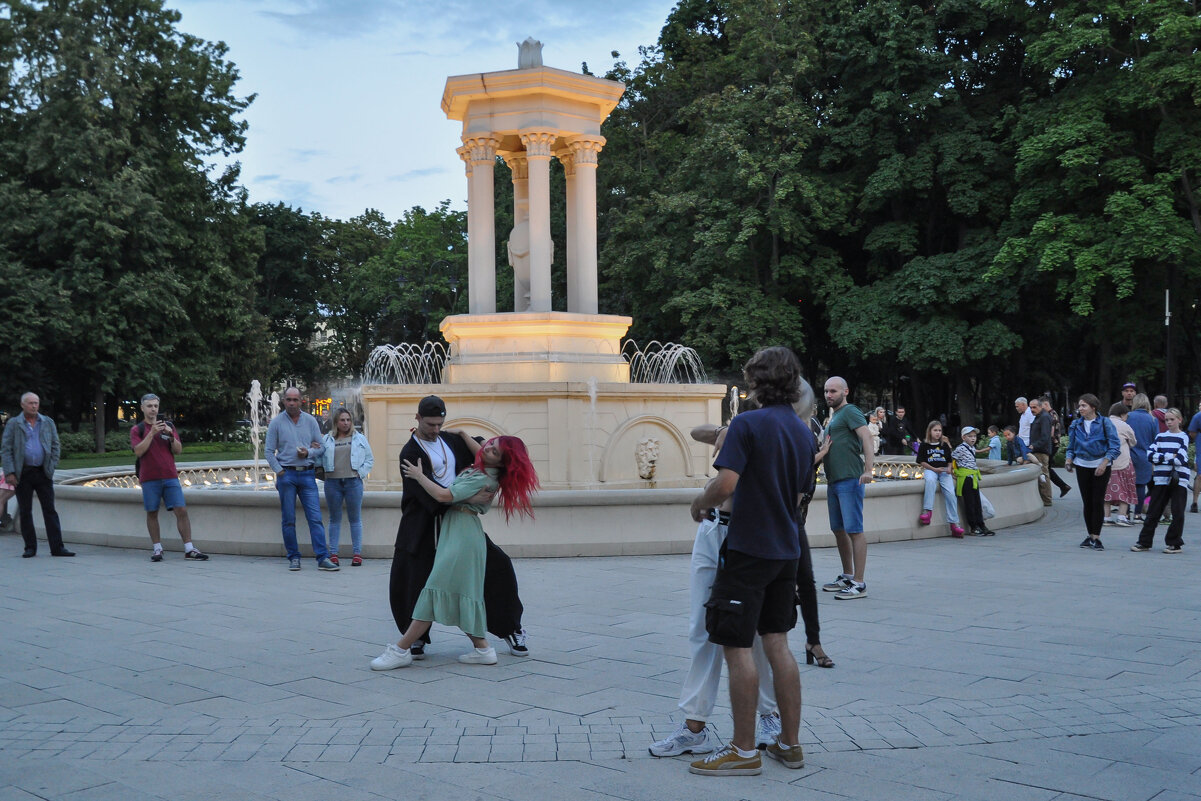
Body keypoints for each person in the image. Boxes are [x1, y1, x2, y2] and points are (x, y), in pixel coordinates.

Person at [685, 346, 811, 776]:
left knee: (736, 647)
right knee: (777, 644)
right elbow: (797, 495)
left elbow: (725, 483)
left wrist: (699, 503)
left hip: (749, 549)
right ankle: (790, 744)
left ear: (755, 381)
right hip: (786, 548)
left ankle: (742, 751)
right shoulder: (802, 431)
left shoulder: (747, 423)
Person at [648, 413, 786, 760]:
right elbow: (695, 431)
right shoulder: (746, 424)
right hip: (713, 529)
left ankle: (769, 716)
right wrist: (726, 430)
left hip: (746, 533)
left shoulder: (784, 429)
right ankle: (695, 725)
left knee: (752, 631)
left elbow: (728, 485)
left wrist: (699, 501)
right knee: (701, 627)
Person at [370, 434, 538, 668]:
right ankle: (483, 649)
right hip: (461, 530)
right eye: (490, 444)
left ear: (502, 462)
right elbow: (479, 448)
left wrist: (419, 476)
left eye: (494, 452)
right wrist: (459, 433)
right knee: (460, 593)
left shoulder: (481, 476)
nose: (486, 449)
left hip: (462, 534)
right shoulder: (488, 469)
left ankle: (400, 649)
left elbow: (442, 495)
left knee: (434, 589)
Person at [264, 387, 336, 571]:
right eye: (288, 399)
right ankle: (293, 557)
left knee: (315, 518)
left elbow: (321, 447)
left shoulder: (310, 421)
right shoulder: (277, 423)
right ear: (283, 401)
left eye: (295, 399)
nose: (292, 403)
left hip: (307, 474)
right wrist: (279, 471)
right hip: (287, 475)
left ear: (301, 401)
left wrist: (309, 452)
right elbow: (268, 451)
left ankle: (322, 558)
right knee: (288, 519)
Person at [130, 393, 208, 562]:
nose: (153, 409)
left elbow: (178, 450)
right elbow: (138, 451)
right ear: (142, 408)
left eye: (155, 406)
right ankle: (157, 548)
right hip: (149, 478)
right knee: (152, 512)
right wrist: (151, 433)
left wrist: (171, 435)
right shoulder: (138, 430)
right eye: (149, 406)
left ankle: (189, 548)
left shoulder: (169, 426)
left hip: (170, 476)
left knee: (182, 510)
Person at [819, 377, 874, 599]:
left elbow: (867, 437)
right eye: (825, 391)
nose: (828, 395)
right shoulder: (836, 417)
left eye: (833, 391)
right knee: (839, 530)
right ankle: (848, 575)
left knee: (854, 530)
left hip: (850, 479)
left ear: (845, 391)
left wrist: (868, 470)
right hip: (835, 480)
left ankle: (859, 583)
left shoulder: (850, 411)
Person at [2, 392, 74, 558]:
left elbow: (56, 445)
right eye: (30, 403)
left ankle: (57, 547)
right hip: (23, 473)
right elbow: (6, 450)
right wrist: (10, 472)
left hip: (43, 472)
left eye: (36, 403)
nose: (34, 406)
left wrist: (52, 465)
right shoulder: (14, 424)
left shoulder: (47, 422)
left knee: (50, 510)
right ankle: (30, 547)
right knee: (26, 511)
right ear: (22, 405)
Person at [1064, 394, 1120, 551]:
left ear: (1093, 407)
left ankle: (1097, 537)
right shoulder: (1076, 424)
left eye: (1084, 406)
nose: (1080, 409)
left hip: (1100, 465)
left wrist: (1104, 463)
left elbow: (1114, 446)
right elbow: (1071, 446)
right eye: (1079, 406)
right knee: (1087, 502)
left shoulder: (1104, 422)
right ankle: (1090, 536)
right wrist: (1069, 460)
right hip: (1082, 465)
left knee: (1097, 501)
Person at [1131, 408, 1190, 554]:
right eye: (1166, 420)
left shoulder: (1184, 437)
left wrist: (1162, 456)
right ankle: (1144, 542)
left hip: (1178, 480)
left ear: (1179, 420)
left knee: (1178, 512)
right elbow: (1150, 455)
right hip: (1160, 479)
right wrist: (1170, 456)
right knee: (1153, 511)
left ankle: (1174, 543)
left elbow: (1181, 459)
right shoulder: (1160, 437)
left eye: (1172, 419)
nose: (1169, 422)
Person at [321, 408, 374, 566]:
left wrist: (361, 473)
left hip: (353, 482)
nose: (346, 423)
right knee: (334, 519)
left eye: (348, 420)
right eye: (342, 420)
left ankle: (357, 553)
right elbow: (318, 458)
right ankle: (334, 554)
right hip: (333, 483)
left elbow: (370, 459)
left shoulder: (359, 439)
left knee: (355, 519)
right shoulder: (327, 439)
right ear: (336, 422)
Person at [916, 421, 965, 537]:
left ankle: (954, 523)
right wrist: (933, 468)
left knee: (950, 493)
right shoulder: (924, 445)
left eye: (939, 430)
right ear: (929, 431)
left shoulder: (944, 445)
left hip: (944, 471)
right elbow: (921, 461)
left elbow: (949, 460)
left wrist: (949, 468)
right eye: (935, 430)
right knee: (930, 481)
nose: (938, 433)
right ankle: (927, 511)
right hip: (931, 469)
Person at [952, 426, 993, 537]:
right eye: (970, 436)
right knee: (970, 503)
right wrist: (953, 472)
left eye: (974, 436)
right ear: (963, 437)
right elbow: (951, 459)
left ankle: (981, 524)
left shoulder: (972, 448)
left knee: (977, 502)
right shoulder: (960, 448)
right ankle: (973, 527)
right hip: (966, 478)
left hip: (973, 476)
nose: (973, 438)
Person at [1102, 403, 1137, 528]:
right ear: (1122, 414)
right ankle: (1122, 517)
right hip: (1123, 462)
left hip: (1105, 463)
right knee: (1125, 489)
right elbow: (1133, 442)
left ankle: (1106, 517)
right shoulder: (1124, 425)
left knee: (1106, 491)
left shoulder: (1102, 423)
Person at [1126, 394, 1159, 521]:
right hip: (1145, 456)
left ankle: (1126, 512)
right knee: (1140, 486)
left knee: (1128, 485)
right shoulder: (1152, 419)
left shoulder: (1128, 417)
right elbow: (1155, 439)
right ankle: (1138, 514)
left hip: (1129, 455)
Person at [1188, 400, 1201, 514]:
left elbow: (1192, 432)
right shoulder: (1198, 416)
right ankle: (1195, 502)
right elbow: (1192, 432)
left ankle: (1195, 502)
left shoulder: (1197, 416)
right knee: (1199, 476)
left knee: (1199, 476)